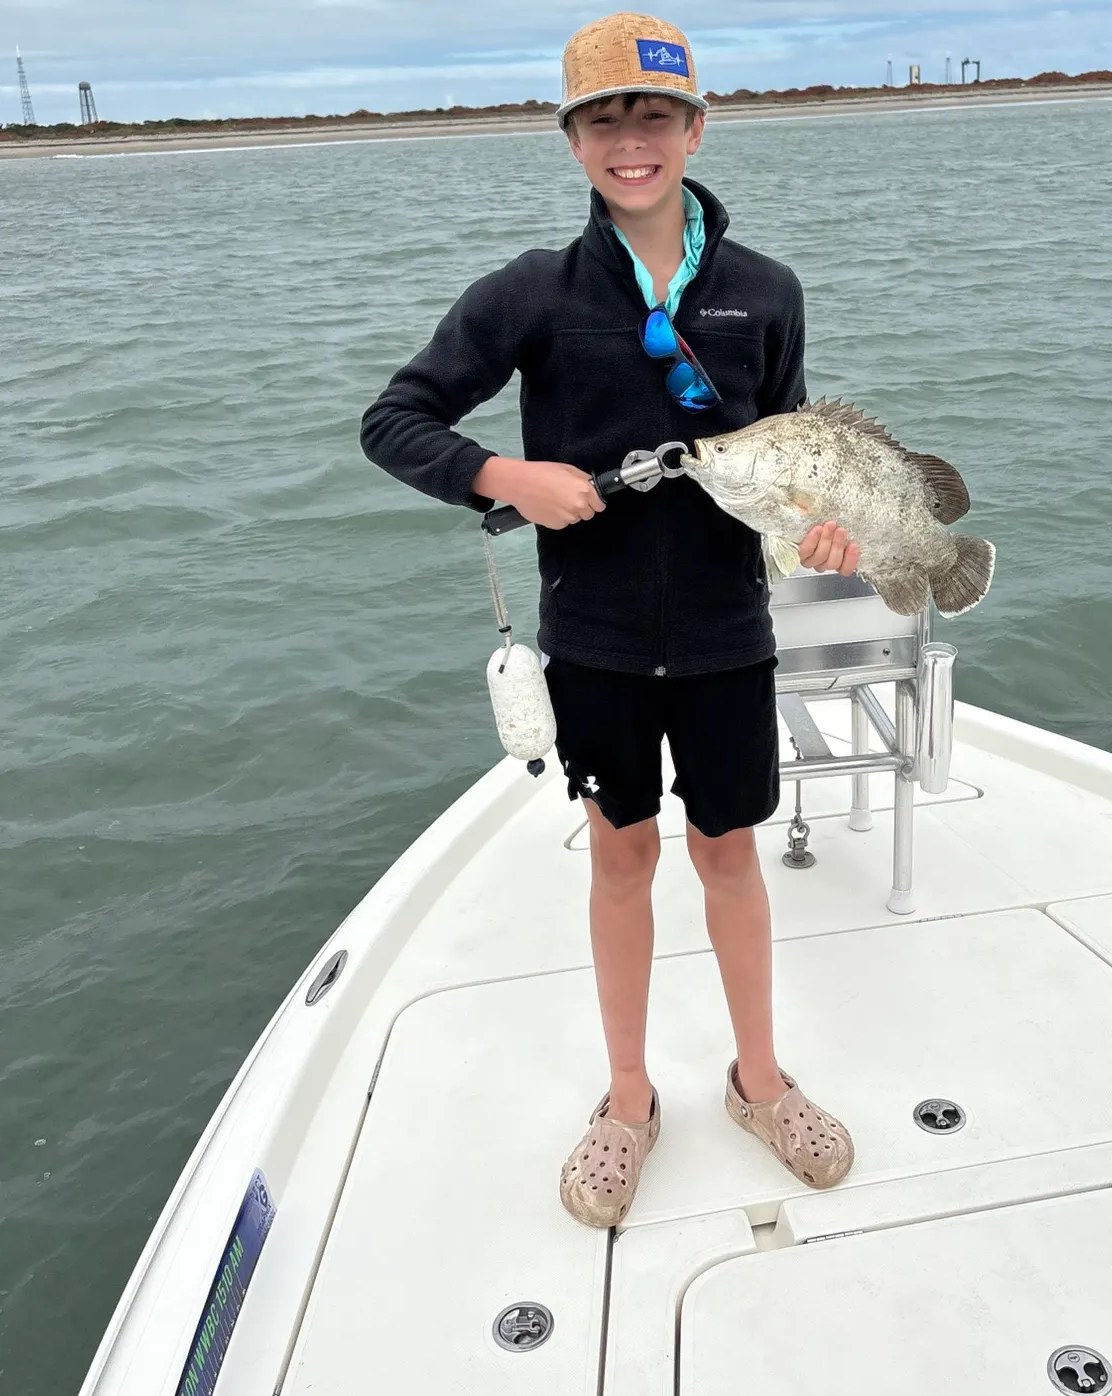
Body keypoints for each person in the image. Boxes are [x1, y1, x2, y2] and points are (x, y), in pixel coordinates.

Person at [360, 12, 859, 1228]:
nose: (630, 141)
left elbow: (795, 454)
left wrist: (822, 527)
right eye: (603, 120)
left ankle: (759, 1080)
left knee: (730, 854)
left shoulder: (763, 293)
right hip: (591, 638)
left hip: (730, 632)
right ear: (574, 140)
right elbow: (397, 419)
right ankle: (628, 1097)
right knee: (623, 854)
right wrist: (504, 478)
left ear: (695, 128)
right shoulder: (531, 292)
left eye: (653, 117)